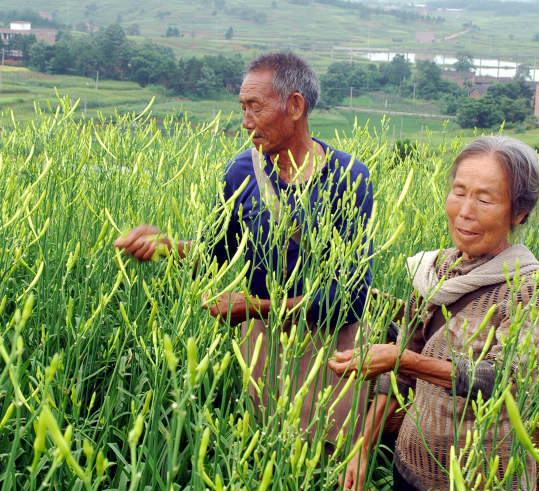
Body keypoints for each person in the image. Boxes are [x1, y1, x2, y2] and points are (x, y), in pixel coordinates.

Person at [115, 51, 373, 442]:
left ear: (295, 106)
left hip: (334, 349)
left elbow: (352, 296)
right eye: (242, 108)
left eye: (255, 107)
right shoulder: (241, 171)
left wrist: (257, 307)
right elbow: (218, 255)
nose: (245, 122)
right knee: (267, 450)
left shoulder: (348, 177)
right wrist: (167, 247)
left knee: (326, 466)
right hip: (265, 348)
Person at [328, 136, 539, 491]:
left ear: (519, 212)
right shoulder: (434, 270)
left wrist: (404, 361)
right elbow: (400, 363)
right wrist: (363, 447)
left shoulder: (531, 288)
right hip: (412, 470)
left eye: (485, 200)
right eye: (459, 192)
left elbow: (506, 380)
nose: (465, 212)